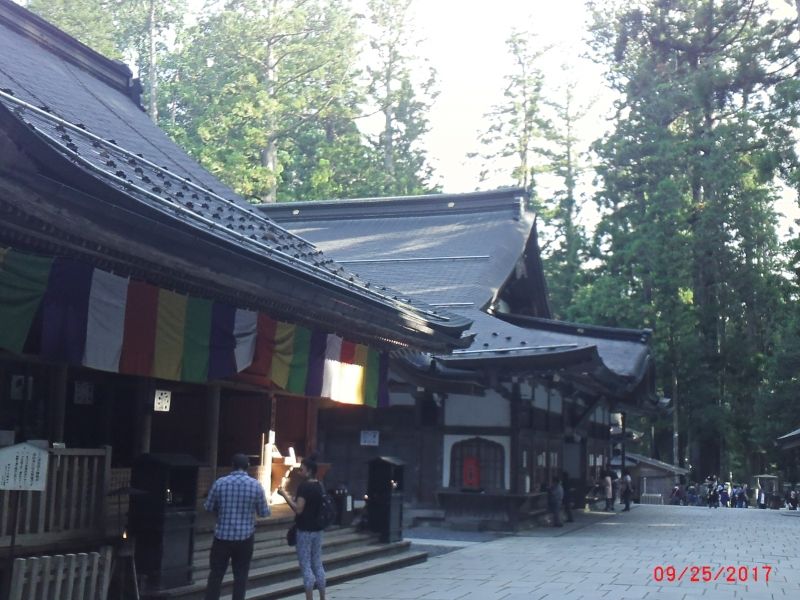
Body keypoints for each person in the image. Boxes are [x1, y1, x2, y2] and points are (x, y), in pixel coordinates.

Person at [204, 453, 270, 600]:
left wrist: (221, 512)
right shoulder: (256, 485)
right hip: (245, 538)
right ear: (248, 467)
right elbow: (264, 512)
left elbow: (208, 507)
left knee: (216, 574)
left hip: (222, 536)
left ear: (232, 465)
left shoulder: (220, 483)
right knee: (241, 576)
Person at [278, 455, 326, 600]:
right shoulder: (319, 485)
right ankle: (323, 597)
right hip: (318, 530)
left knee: (306, 566)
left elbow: (299, 509)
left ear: (309, 470)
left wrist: (284, 495)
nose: (299, 472)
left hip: (304, 530)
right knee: (317, 564)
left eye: (302, 469)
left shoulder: (304, 487)